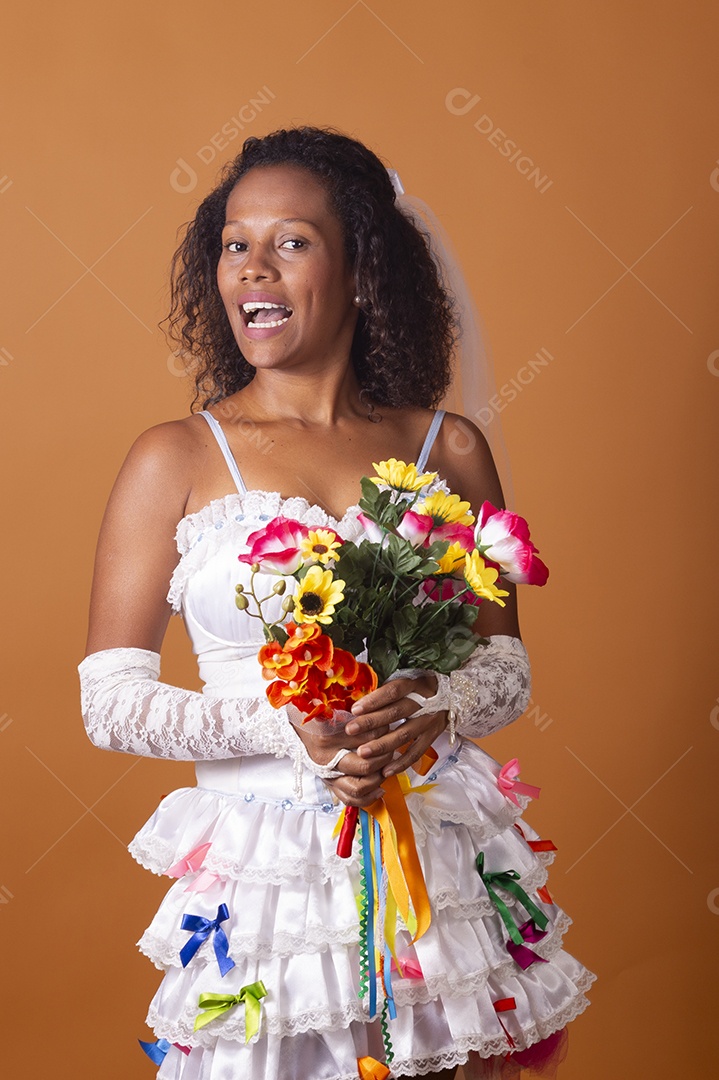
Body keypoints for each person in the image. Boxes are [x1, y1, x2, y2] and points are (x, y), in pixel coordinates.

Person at [79, 126, 594, 1080]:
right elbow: (108, 701)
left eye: (291, 241)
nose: (252, 269)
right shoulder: (174, 458)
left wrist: (433, 708)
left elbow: (503, 665)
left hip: (433, 863)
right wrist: (289, 730)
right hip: (264, 890)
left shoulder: (448, 447)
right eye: (235, 244)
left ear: (362, 268)